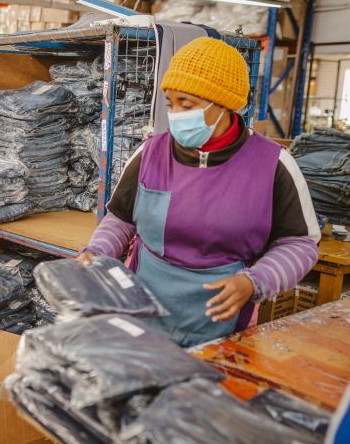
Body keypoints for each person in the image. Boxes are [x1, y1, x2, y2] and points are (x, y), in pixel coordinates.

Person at [80, 37, 320, 347]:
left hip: (221, 322)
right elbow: (120, 220)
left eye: (187, 104)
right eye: (171, 103)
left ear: (223, 105)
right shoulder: (151, 153)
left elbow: (300, 244)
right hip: (142, 313)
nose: (176, 114)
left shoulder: (272, 165)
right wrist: (96, 252)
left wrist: (254, 282)